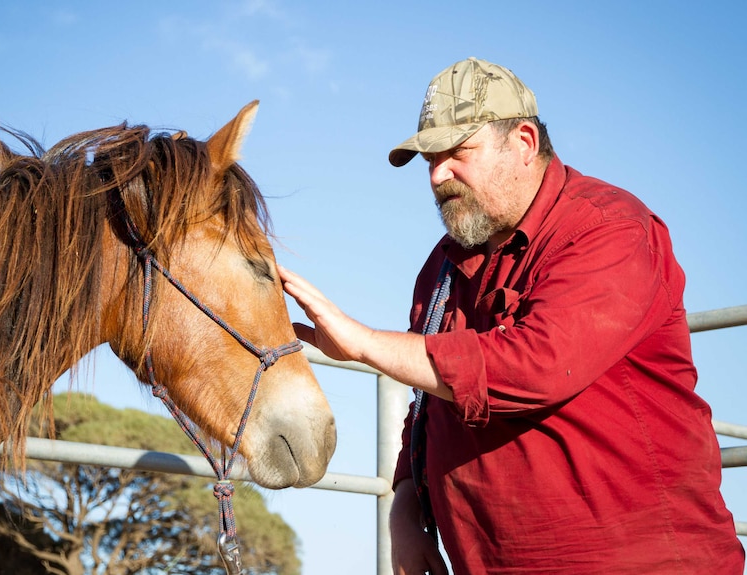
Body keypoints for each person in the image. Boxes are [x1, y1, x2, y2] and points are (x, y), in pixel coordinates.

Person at [279, 57, 745, 574]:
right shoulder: (441, 267)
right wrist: (405, 516)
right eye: (429, 160)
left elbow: (538, 366)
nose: (438, 176)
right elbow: (425, 405)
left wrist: (364, 343)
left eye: (457, 153)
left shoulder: (609, 228)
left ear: (523, 143)